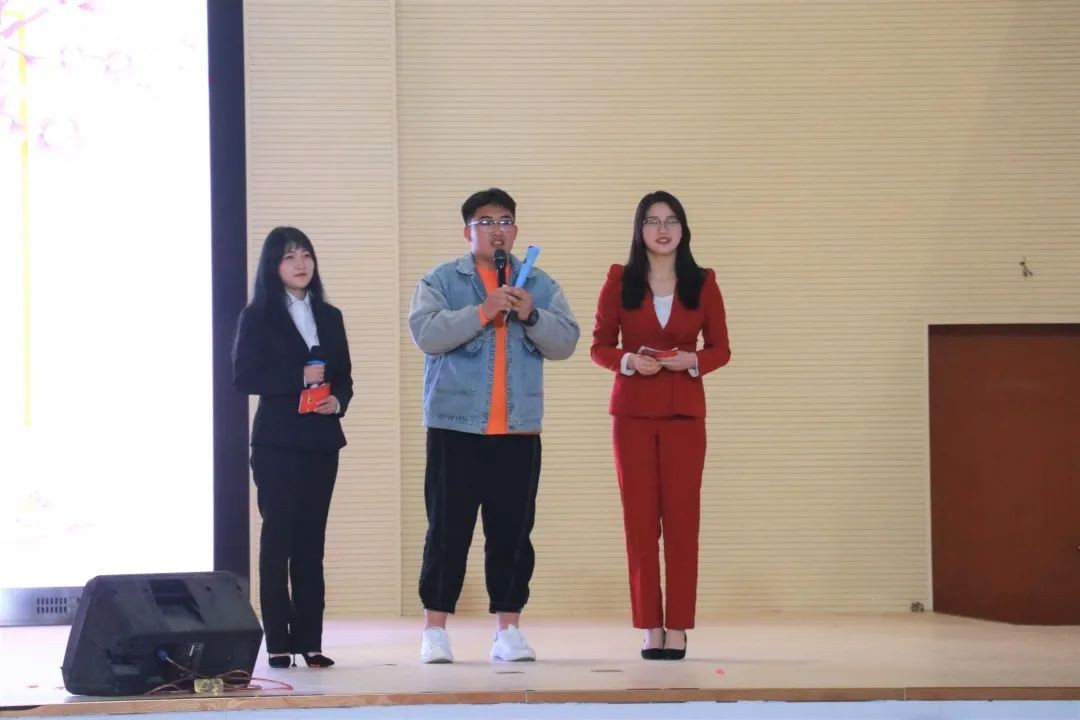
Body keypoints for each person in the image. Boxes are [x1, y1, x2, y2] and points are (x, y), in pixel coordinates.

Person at [408, 187, 579, 664]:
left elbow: (566, 342)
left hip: (518, 430)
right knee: (447, 530)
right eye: (484, 222)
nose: (496, 230)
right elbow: (426, 333)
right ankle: (434, 630)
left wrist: (531, 314)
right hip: (454, 427)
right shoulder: (442, 280)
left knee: (512, 534)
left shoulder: (538, 283)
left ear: (516, 231)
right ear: (468, 232)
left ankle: (508, 630)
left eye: (504, 221)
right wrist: (483, 310)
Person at [590, 191, 730, 660]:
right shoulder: (620, 280)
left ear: (684, 229)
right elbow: (599, 346)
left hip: (684, 416)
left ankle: (679, 626)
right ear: (640, 230)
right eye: (652, 221)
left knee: (683, 522)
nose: (663, 229)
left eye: (671, 221)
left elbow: (721, 349)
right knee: (640, 523)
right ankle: (650, 625)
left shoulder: (703, 282)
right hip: (631, 416)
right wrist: (628, 361)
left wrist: (694, 361)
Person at [232, 226, 353, 669]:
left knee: (311, 542)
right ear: (273, 266)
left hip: (321, 441)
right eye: (289, 257)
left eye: (306, 255)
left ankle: (311, 641)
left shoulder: (330, 315)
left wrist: (338, 400)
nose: (300, 264)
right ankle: (278, 643)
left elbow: (344, 376)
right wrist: (297, 379)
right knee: (278, 539)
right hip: (277, 443)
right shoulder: (257, 315)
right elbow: (244, 377)